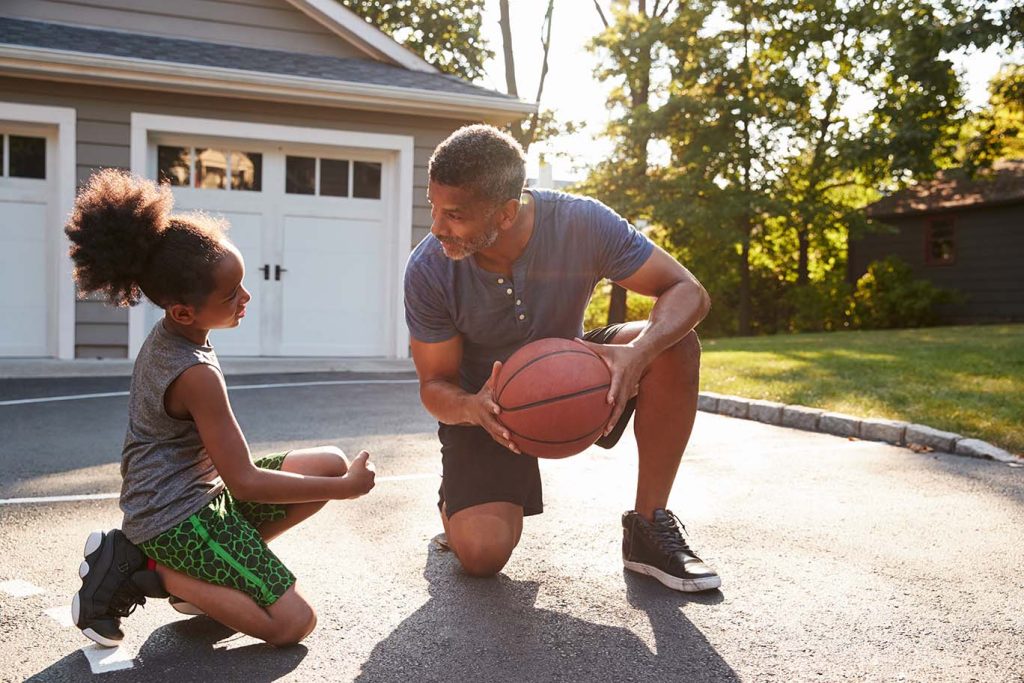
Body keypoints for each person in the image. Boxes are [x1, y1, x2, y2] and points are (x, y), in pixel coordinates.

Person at [66, 170, 377, 647]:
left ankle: (208, 583)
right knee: (294, 623)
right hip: (174, 519)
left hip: (199, 497)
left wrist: (336, 479)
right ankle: (146, 569)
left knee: (329, 461)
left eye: (242, 285)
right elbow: (246, 480)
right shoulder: (194, 374)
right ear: (183, 311)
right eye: (231, 294)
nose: (245, 298)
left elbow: (236, 478)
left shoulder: (178, 335)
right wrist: (346, 490)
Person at [404, 125, 720, 592]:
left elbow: (687, 291)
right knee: (482, 557)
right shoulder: (430, 269)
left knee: (673, 344)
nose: (437, 226)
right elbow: (435, 386)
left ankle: (648, 526)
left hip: (572, 375)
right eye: (433, 207)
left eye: (454, 215)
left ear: (507, 212)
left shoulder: (582, 222)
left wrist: (637, 353)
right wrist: (473, 407)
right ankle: (455, 501)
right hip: (485, 408)